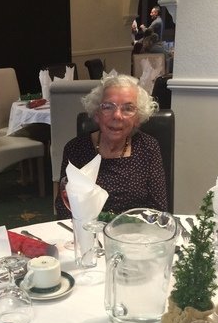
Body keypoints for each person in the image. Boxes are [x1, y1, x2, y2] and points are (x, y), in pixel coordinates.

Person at [54, 73, 167, 219]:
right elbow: (64, 209)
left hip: (134, 235)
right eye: (108, 107)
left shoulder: (148, 147)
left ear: (137, 119)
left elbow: (158, 209)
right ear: (96, 114)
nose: (117, 115)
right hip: (88, 233)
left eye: (128, 108)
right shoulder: (75, 149)